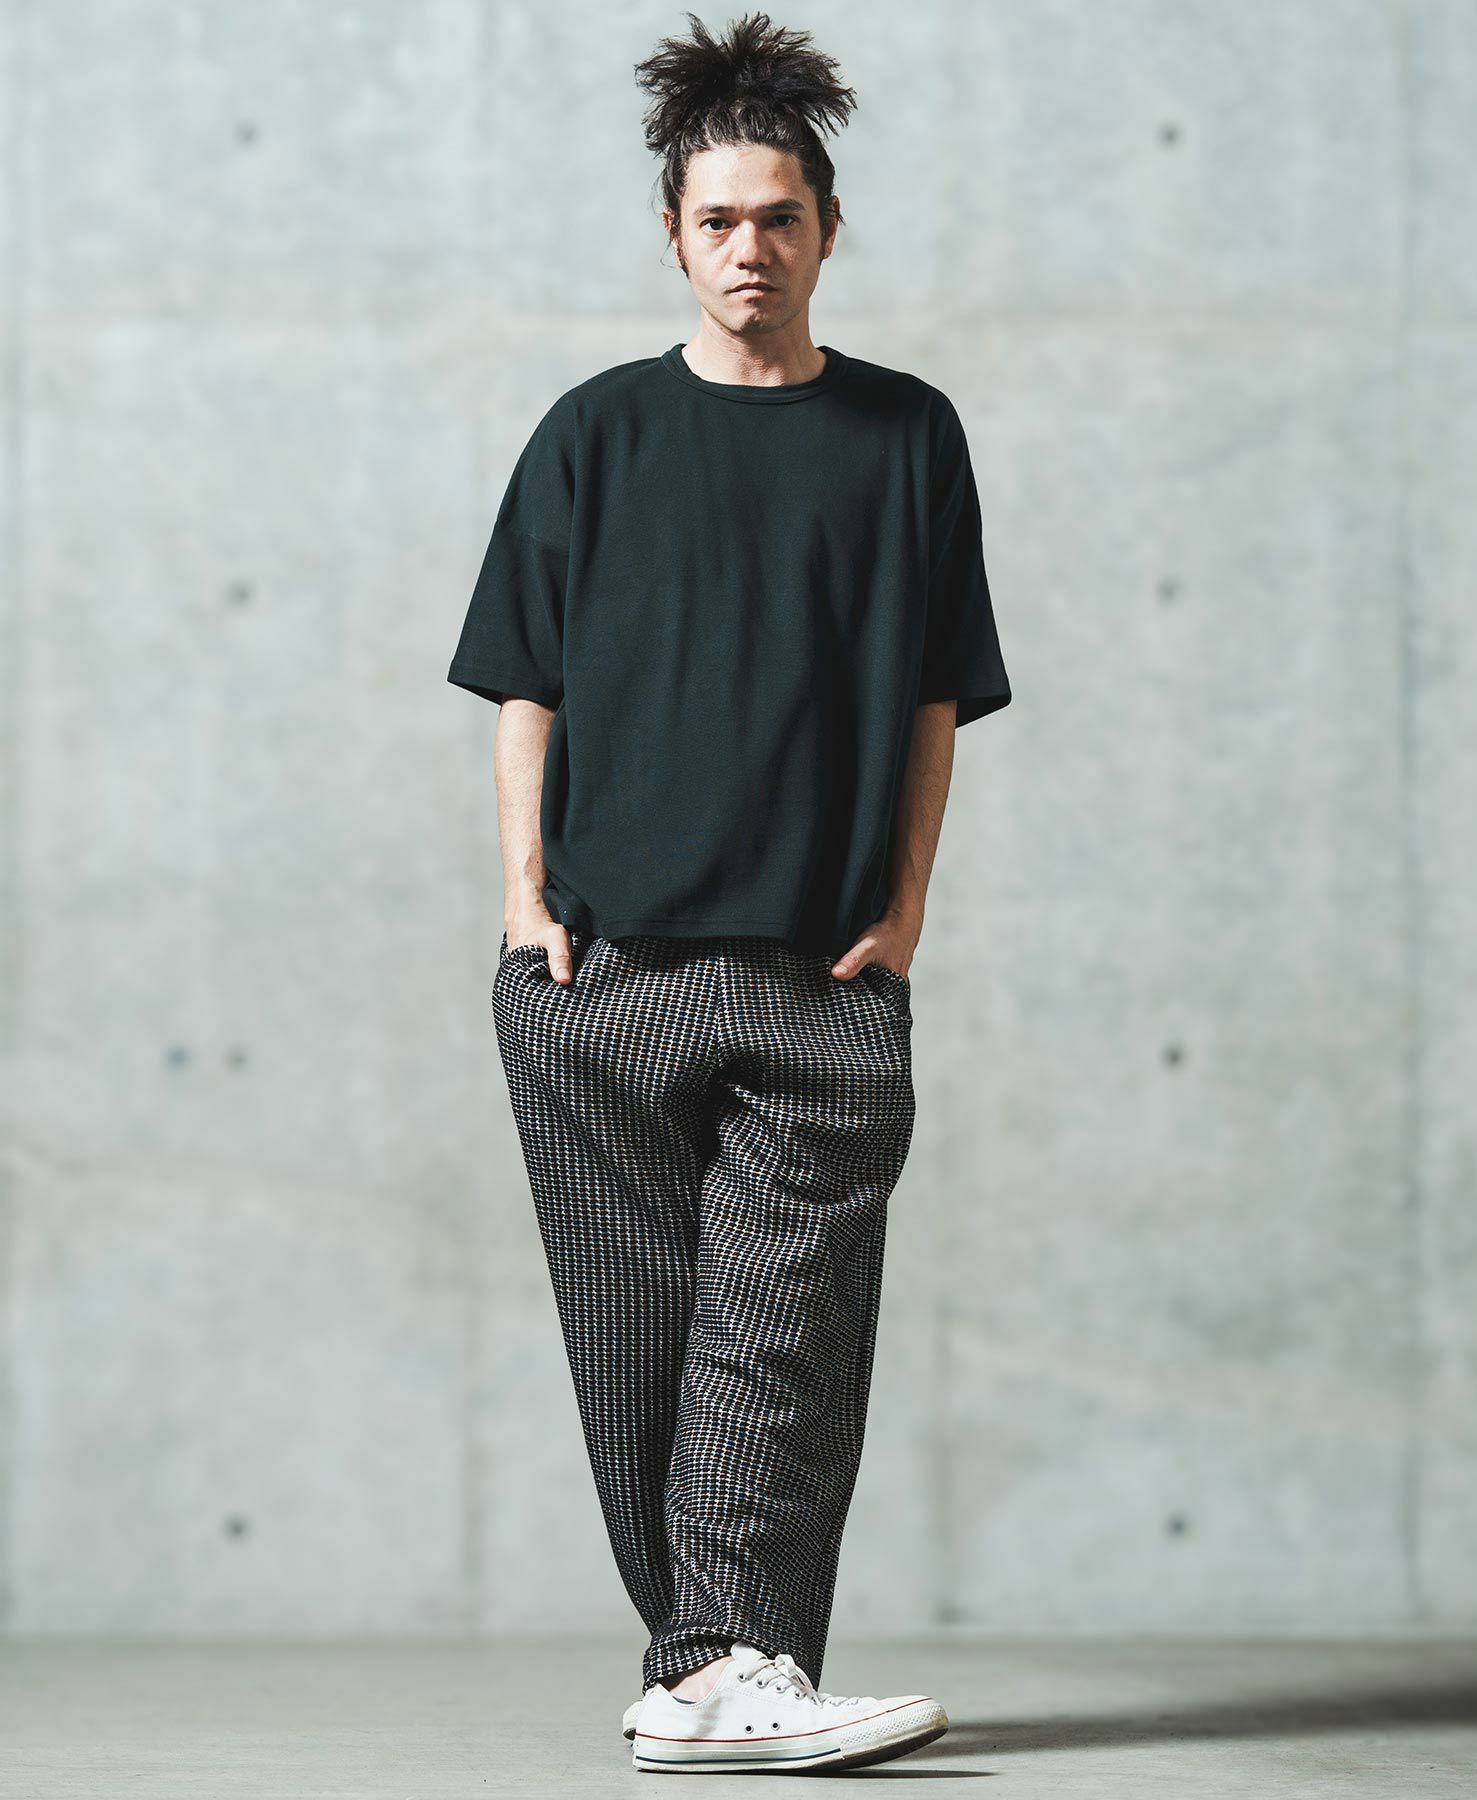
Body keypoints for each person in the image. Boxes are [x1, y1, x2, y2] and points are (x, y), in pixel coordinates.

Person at [447, 10, 1011, 1775]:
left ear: (828, 230)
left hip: (816, 976)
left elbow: (934, 701)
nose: (749, 248)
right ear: (671, 237)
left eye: (779, 218)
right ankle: (715, 1670)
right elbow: (524, 685)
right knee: (640, 1354)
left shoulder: (907, 438)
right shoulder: (594, 435)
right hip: (601, 976)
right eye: (717, 221)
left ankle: (723, 1670)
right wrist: (525, 905)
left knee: (780, 1347)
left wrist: (905, 918)